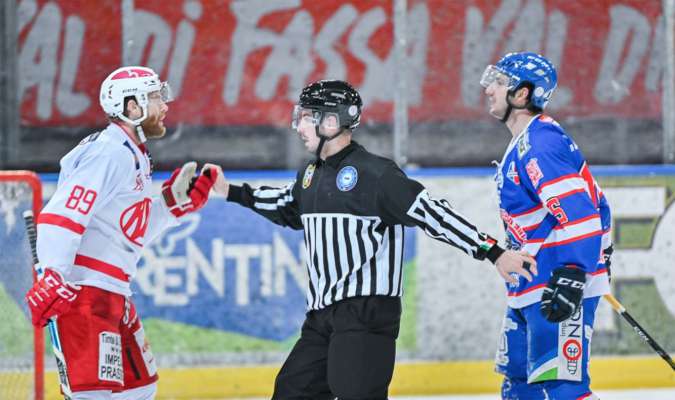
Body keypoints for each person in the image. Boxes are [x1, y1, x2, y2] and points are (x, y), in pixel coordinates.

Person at [205, 79, 537, 399]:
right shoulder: (311, 174)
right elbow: (287, 206)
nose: (299, 126)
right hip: (321, 316)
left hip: (366, 313)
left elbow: (433, 214)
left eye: (307, 117)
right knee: (293, 391)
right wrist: (228, 191)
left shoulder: (375, 174)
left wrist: (493, 252)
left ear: (332, 122)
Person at [24, 66, 217, 400]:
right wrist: (53, 275)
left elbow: (127, 231)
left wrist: (170, 206)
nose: (165, 105)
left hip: (113, 293)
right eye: (155, 97)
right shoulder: (110, 152)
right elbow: (61, 214)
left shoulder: (133, 154)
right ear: (132, 106)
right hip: (83, 294)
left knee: (141, 388)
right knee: (92, 396)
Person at [480, 52, 613, 399]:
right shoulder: (525, 141)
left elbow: (582, 213)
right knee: (519, 385)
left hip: (556, 282)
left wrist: (574, 273)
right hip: (533, 284)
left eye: (498, 81)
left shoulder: (540, 143)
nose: (488, 89)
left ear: (521, 94)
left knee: (561, 389)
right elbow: (600, 204)